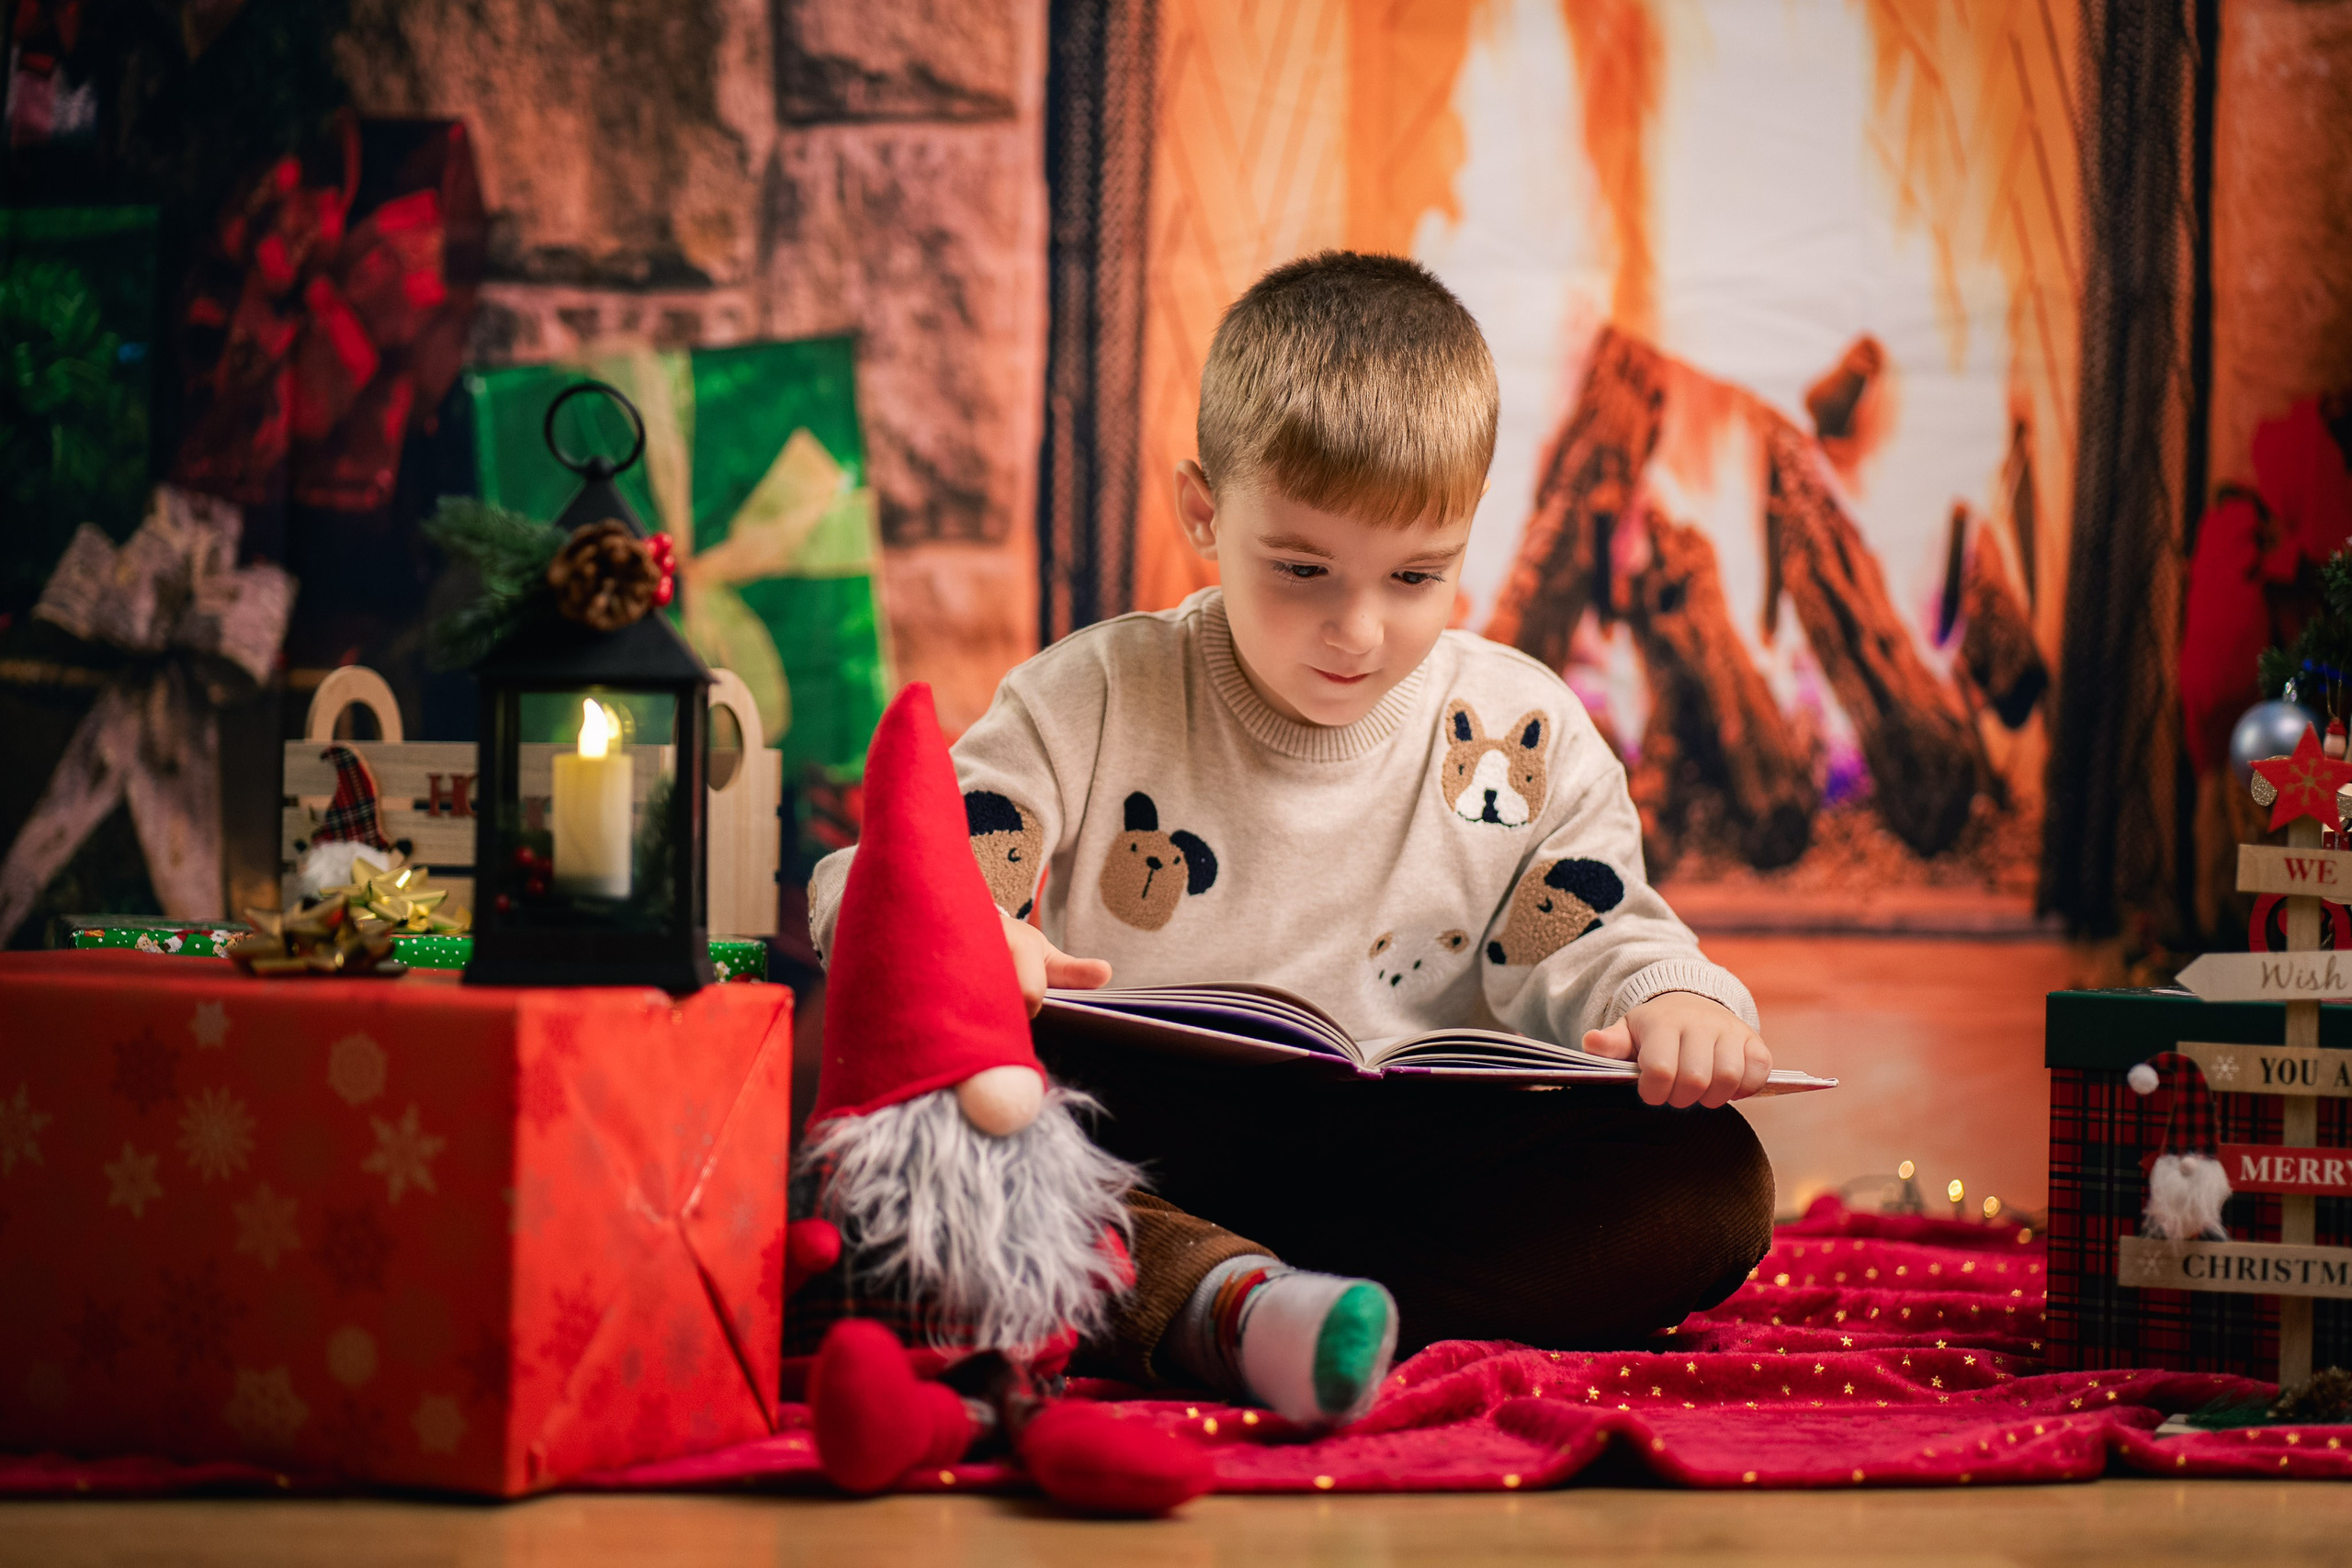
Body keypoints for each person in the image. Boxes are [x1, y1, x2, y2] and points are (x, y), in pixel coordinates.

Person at [808, 250, 1775, 1429]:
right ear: (1203, 509)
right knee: (952, 1126)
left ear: (1473, 532)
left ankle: (1257, 1305)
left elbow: (1590, 934)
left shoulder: (1522, 729)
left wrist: (1676, 1001)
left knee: (1712, 1182)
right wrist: (967, 939)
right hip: (1154, 1134)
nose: (1357, 630)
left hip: (1413, 1161)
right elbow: (902, 867)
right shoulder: (1102, 691)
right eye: (1302, 569)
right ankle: (1233, 1301)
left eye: (1417, 575)